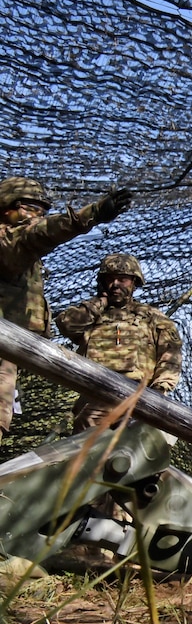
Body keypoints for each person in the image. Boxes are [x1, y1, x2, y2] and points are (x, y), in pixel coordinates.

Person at [0, 177, 132, 445]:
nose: (36, 216)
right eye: (29, 207)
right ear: (6, 207)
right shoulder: (9, 241)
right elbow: (41, 233)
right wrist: (91, 215)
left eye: (42, 211)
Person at [55, 254, 182, 432]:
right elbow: (67, 324)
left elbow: (170, 357)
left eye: (122, 279)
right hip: (95, 396)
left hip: (138, 397)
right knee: (87, 452)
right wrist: (100, 302)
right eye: (110, 279)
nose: (115, 284)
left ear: (134, 282)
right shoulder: (93, 314)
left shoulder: (152, 318)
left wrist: (160, 391)